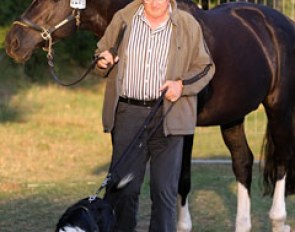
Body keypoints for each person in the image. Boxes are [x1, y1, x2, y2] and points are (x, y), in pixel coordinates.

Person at [95, 0, 215, 231]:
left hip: (169, 115)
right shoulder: (123, 19)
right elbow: (101, 54)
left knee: (164, 191)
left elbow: (206, 66)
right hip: (128, 114)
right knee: (123, 188)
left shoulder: (187, 24)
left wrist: (181, 85)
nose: (156, 2)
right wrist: (103, 61)